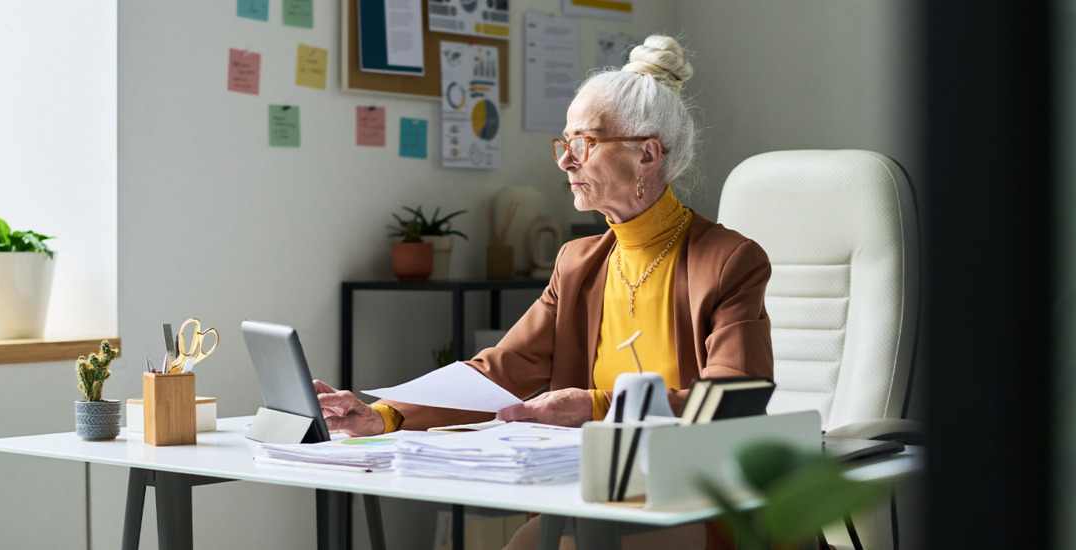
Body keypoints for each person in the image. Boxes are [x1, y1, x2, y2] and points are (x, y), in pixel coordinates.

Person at [314, 34, 772, 550]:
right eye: (565, 143)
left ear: (647, 155)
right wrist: (383, 415)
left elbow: (734, 400)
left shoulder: (729, 260)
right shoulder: (578, 262)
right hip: (585, 494)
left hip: (695, 498)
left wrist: (594, 407)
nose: (565, 162)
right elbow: (502, 371)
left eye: (585, 144)